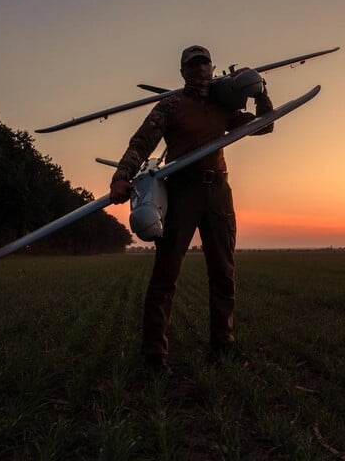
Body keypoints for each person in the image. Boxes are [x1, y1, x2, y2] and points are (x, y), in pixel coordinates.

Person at [109, 45, 273, 373]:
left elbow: (265, 125)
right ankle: (155, 354)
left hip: (218, 194)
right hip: (181, 192)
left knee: (223, 271)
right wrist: (122, 176)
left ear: (212, 68)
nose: (200, 70)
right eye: (193, 65)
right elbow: (142, 142)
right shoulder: (171, 105)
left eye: (204, 63)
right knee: (166, 273)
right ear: (183, 71)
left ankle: (223, 344)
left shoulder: (223, 104)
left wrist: (259, 91)